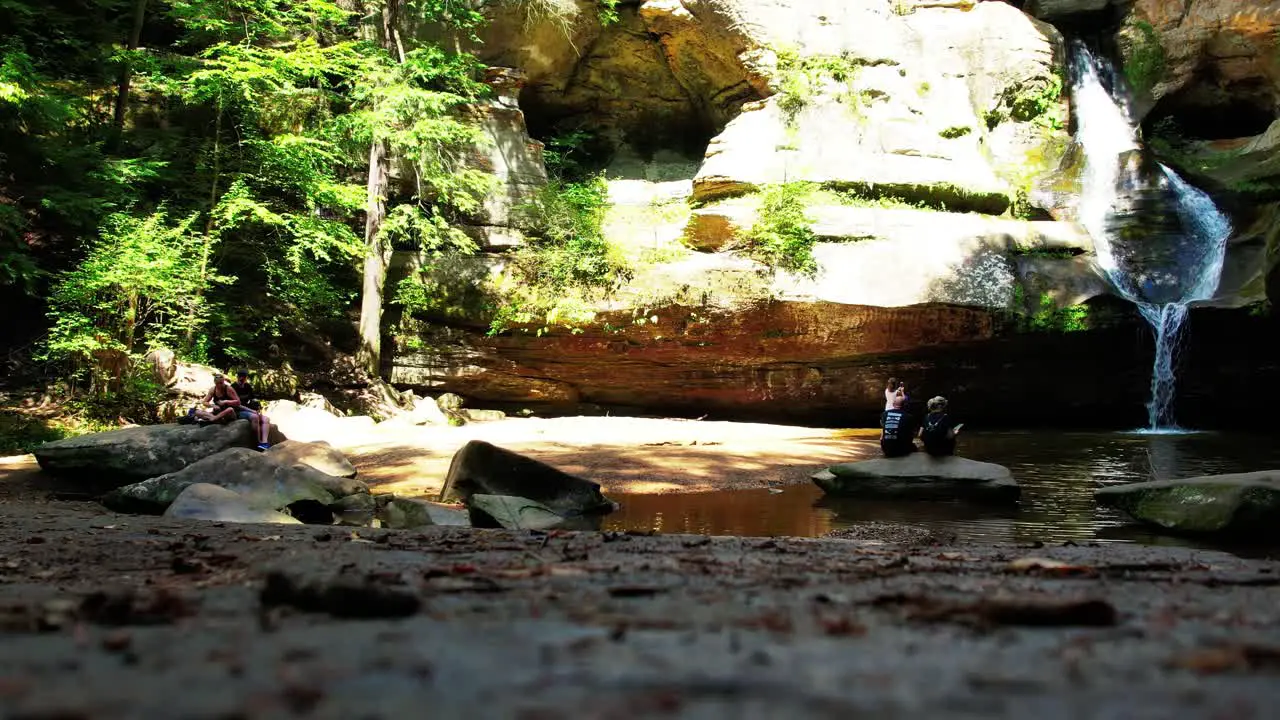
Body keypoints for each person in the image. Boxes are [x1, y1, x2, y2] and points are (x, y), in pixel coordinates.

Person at [230, 369, 272, 451]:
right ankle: (258, 442)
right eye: (240, 377)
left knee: (266, 419)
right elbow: (237, 405)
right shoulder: (233, 388)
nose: (242, 379)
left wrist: (257, 403)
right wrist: (251, 410)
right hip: (238, 411)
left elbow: (252, 398)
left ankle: (264, 443)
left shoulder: (247, 386)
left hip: (248, 409)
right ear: (237, 377)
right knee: (254, 417)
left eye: (244, 377)